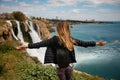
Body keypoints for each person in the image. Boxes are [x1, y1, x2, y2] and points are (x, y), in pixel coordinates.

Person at [16, 21, 106, 80]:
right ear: (67, 29)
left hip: (61, 69)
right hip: (69, 67)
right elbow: (84, 43)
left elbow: (39, 44)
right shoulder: (70, 39)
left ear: (59, 30)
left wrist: (26, 46)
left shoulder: (56, 39)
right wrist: (97, 43)